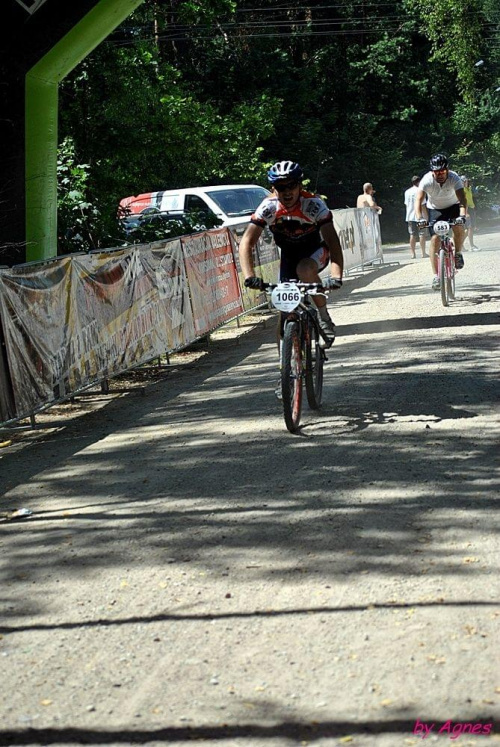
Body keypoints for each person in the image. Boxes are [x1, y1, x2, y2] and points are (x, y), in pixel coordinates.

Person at [239, 160, 343, 345]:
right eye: (280, 187)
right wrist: (249, 276)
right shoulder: (269, 207)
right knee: (285, 310)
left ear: (299, 185)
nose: (287, 191)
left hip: (315, 251)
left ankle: (323, 316)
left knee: (304, 269)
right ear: (273, 188)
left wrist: (336, 276)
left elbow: (333, 242)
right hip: (289, 256)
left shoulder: (313, 205)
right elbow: (246, 241)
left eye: (291, 185)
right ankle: (286, 364)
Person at [415, 154, 467, 291]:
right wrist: (419, 218)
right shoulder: (426, 180)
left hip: (453, 206)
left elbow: (462, 199)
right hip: (435, 210)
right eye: (436, 171)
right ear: (432, 171)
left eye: (442, 171)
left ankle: (458, 253)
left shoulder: (454, 178)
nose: (440, 174)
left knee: (458, 227)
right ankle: (436, 276)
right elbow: (418, 200)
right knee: (434, 239)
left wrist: (462, 215)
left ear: (447, 170)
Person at [404, 176, 428, 259]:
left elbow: (406, 204)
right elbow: (423, 205)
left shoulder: (407, 192)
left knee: (412, 235)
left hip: (410, 216)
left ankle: (413, 254)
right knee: (422, 234)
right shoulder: (421, 191)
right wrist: (427, 217)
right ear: (419, 182)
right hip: (420, 216)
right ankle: (423, 253)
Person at [460, 175, 480, 251]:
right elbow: (463, 202)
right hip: (466, 209)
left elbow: (471, 198)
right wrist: (466, 212)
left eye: (467, 181)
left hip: (471, 208)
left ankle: (461, 244)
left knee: (470, 228)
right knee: (469, 228)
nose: (466, 182)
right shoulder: (462, 190)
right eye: (465, 181)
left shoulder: (469, 188)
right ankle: (471, 246)